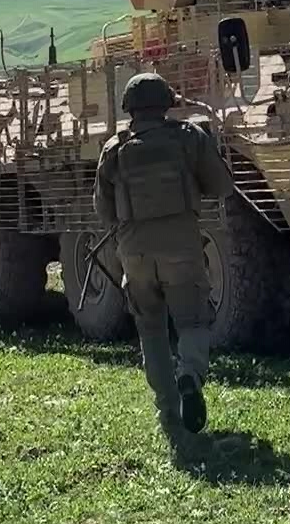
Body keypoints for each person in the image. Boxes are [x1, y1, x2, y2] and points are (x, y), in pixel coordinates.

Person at [95, 72, 234, 446]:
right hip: (182, 248)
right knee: (192, 321)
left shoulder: (114, 148)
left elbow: (103, 210)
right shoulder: (188, 138)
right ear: (166, 103)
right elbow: (222, 186)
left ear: (130, 108)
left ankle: (167, 409)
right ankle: (189, 374)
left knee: (151, 329)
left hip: (134, 253)